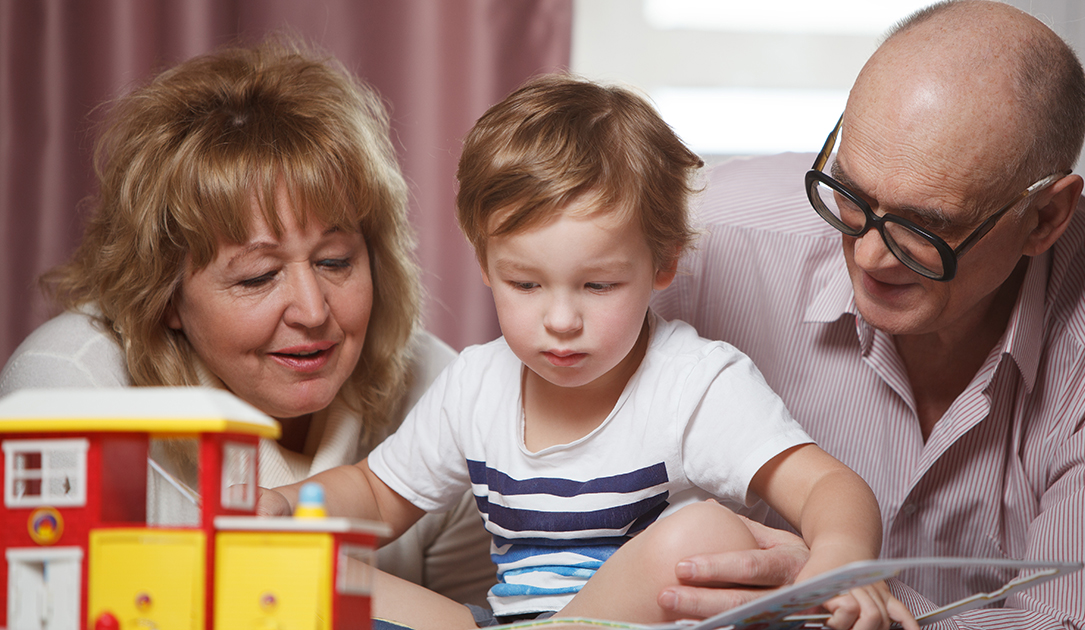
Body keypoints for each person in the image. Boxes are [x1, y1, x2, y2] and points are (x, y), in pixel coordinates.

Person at [258, 74, 917, 630]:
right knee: (310, 572)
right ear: (485, 263)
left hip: (629, 618)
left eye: (598, 285)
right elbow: (374, 495)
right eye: (525, 284)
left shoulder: (693, 383)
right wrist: (288, 510)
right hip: (509, 622)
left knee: (704, 536)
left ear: (663, 265)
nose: (562, 321)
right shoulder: (477, 383)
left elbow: (831, 486)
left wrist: (840, 559)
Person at [648, 1, 1085, 629]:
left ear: (1044, 218)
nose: (870, 253)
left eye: (925, 225)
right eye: (851, 194)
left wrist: (847, 600)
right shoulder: (701, 244)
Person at [0, 38, 494, 608]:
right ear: (164, 295)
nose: (313, 312)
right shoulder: (66, 393)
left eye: (336, 262)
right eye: (258, 277)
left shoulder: (440, 390)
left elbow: (486, 618)